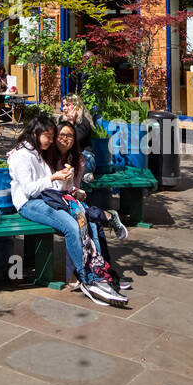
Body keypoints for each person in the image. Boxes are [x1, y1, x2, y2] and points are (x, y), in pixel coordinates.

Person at [7, 117, 126, 307]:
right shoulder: (21, 155)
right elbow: (29, 189)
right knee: (72, 227)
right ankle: (86, 278)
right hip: (30, 204)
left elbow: (51, 183)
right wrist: (54, 176)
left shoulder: (38, 152)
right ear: (36, 133)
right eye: (49, 136)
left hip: (49, 198)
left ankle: (100, 272)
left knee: (86, 219)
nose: (51, 140)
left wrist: (63, 180)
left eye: (52, 136)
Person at [54, 120, 131, 294]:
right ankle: (80, 275)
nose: (66, 139)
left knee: (93, 223)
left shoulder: (79, 160)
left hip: (69, 200)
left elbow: (73, 186)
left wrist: (77, 191)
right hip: (52, 201)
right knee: (83, 221)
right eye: (62, 135)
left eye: (70, 136)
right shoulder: (50, 157)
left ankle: (104, 271)